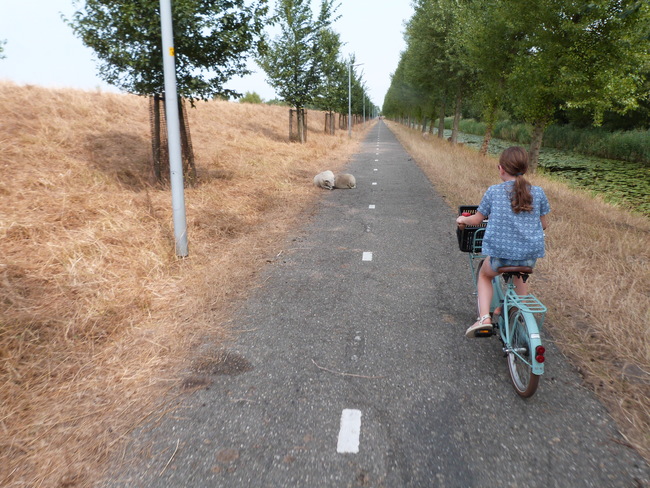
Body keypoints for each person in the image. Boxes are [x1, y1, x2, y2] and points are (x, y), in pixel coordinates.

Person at [456, 146, 550, 338]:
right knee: (520, 276)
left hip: (501, 257)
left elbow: (477, 220)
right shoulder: (538, 193)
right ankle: (515, 312)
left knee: (485, 275)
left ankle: (484, 318)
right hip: (529, 258)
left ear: (501, 168)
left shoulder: (494, 191)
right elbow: (544, 225)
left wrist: (462, 220)